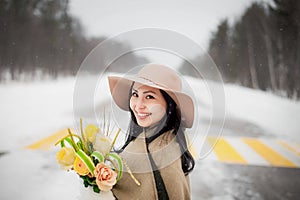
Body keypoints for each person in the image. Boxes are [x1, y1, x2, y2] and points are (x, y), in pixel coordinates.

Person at [108, 64, 195, 200]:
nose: (138, 105)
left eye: (149, 97)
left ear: (169, 104)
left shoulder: (163, 154)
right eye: (135, 94)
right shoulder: (149, 137)